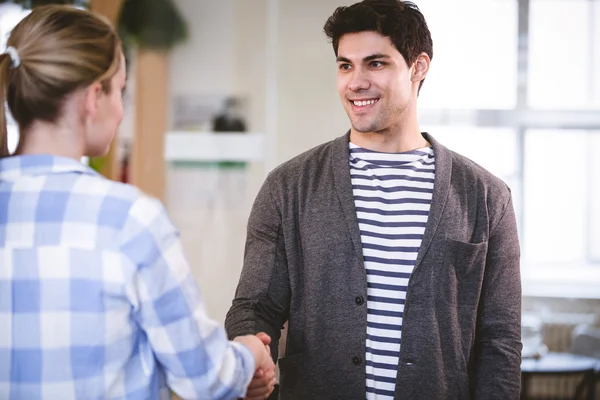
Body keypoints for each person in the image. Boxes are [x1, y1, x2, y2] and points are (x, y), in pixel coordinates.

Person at [225, 0, 522, 398]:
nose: (355, 82)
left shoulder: (486, 197)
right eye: (345, 65)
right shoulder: (288, 187)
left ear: (418, 67)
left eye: (376, 63)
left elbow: (500, 342)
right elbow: (253, 307)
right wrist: (250, 357)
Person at [0, 5, 275, 400]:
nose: (119, 109)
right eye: (121, 91)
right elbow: (205, 378)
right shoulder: (127, 219)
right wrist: (250, 352)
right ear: (95, 97)